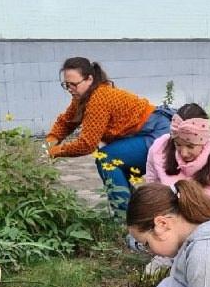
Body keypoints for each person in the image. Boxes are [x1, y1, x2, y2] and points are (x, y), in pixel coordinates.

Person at [45, 56, 166, 214]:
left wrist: (54, 151)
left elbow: (87, 144)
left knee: (107, 159)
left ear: (89, 79)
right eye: (66, 85)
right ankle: (138, 213)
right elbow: (67, 121)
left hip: (157, 133)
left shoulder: (99, 98)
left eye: (73, 84)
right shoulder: (82, 97)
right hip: (143, 133)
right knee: (114, 164)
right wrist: (50, 141)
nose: (70, 89)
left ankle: (125, 217)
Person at [142, 101, 210, 208]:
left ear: (203, 142)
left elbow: (203, 207)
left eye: (190, 146)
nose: (184, 153)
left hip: (208, 209)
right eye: (178, 144)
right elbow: (152, 185)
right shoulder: (159, 149)